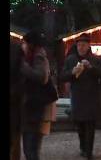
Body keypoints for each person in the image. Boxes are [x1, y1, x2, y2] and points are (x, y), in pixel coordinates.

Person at [61, 33, 101, 159]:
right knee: (80, 125)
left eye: (84, 45)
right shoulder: (71, 59)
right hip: (77, 96)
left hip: (91, 96)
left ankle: (89, 151)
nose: (81, 47)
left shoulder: (95, 59)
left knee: (90, 125)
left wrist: (91, 68)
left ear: (88, 46)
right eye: (79, 45)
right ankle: (83, 146)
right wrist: (71, 72)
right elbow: (62, 76)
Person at [20, 31, 57, 160]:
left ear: (31, 44)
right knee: (29, 147)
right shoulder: (31, 56)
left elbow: (41, 77)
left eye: (24, 42)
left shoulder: (38, 56)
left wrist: (22, 66)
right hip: (31, 107)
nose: (22, 45)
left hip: (35, 107)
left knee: (31, 148)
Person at [10, 41, 25, 160]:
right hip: (15, 100)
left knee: (14, 139)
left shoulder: (16, 49)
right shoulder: (16, 48)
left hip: (14, 101)